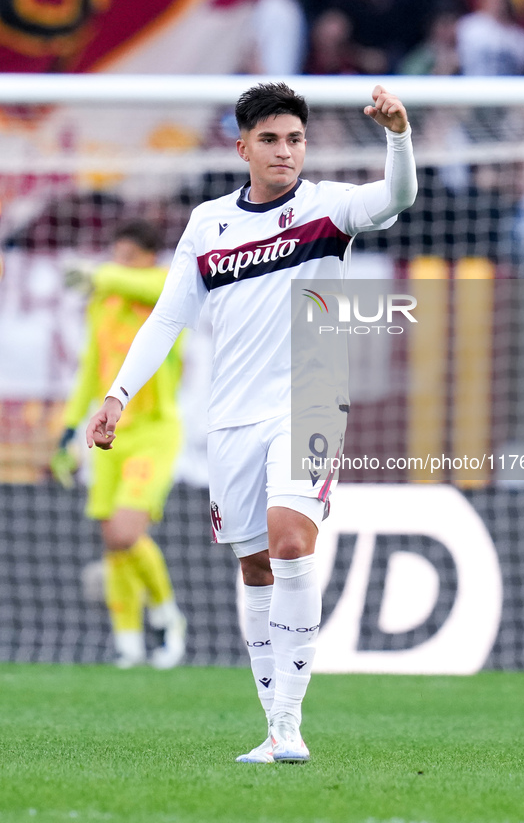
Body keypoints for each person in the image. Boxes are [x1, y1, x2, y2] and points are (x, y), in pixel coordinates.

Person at [85, 83, 417, 762]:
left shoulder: (327, 207)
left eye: (294, 138)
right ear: (241, 147)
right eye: (269, 139)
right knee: (255, 564)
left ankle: (289, 725)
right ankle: (271, 724)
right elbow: (169, 317)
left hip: (312, 398)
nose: (284, 151)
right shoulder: (208, 224)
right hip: (231, 416)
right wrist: (118, 392)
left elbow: (396, 198)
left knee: (290, 538)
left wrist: (397, 136)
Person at [52, 219, 187, 670]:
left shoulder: (166, 290)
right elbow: (92, 366)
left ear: (149, 258)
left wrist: (96, 273)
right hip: (109, 432)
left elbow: (147, 287)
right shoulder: (104, 299)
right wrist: (70, 427)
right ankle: (128, 642)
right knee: (114, 542)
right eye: (115, 256)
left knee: (128, 532)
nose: (118, 266)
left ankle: (168, 618)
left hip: (153, 430)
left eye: (128, 258)